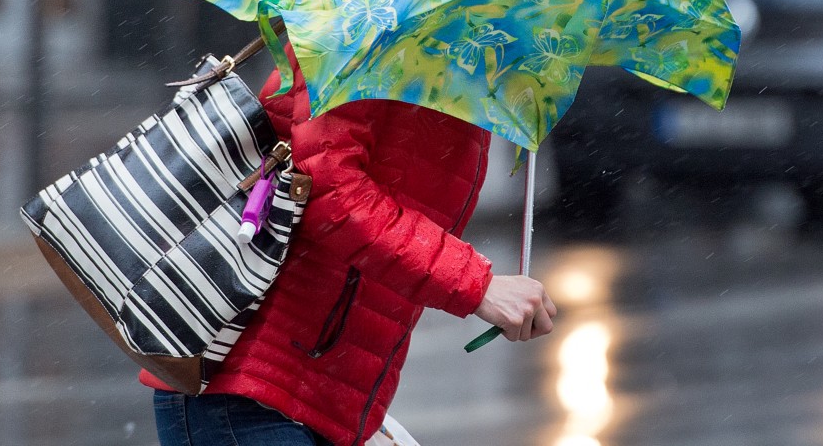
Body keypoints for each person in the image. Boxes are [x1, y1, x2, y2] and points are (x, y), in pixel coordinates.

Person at [143, 44, 557, 446]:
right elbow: (326, 187)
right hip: (247, 390)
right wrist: (477, 284)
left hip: (313, 399)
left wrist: (352, 413)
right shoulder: (366, 25)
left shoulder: (453, 55)